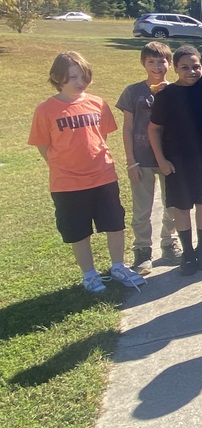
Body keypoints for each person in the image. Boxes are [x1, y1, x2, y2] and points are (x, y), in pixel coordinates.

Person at [29, 52, 146, 293]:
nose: (79, 82)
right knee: (78, 230)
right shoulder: (45, 110)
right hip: (67, 183)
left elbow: (101, 136)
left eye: (83, 77)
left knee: (114, 223)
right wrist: (62, 164)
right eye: (72, 77)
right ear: (56, 78)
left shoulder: (97, 103)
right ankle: (89, 274)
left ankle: (118, 266)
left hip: (103, 176)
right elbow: (43, 144)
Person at [148, 46, 202, 276]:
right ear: (175, 69)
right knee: (181, 207)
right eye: (185, 68)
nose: (192, 71)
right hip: (176, 160)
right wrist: (161, 160)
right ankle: (187, 252)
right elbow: (154, 130)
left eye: (196, 66)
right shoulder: (166, 96)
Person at [115, 41, 181, 274]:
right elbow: (127, 129)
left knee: (171, 205)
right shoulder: (133, 92)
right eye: (151, 61)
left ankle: (169, 243)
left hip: (168, 159)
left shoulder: (175, 89)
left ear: (169, 63)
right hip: (142, 160)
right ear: (143, 63)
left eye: (162, 61)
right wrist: (130, 161)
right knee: (142, 209)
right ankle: (142, 249)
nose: (157, 66)